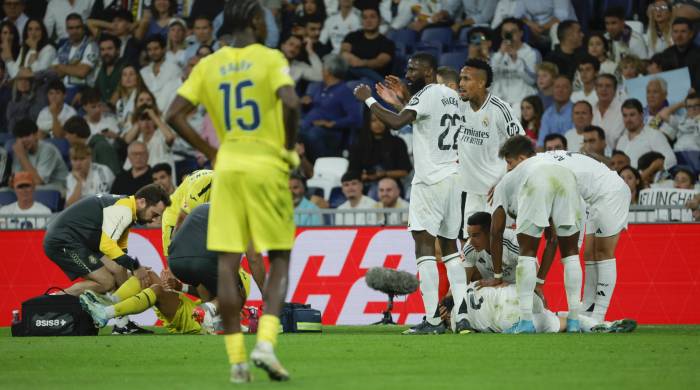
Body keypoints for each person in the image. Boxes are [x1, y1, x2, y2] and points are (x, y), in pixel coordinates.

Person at [165, 0, 302, 382]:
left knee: (227, 264)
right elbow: (290, 103)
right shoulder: (269, 58)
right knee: (278, 260)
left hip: (227, 170)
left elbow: (173, 114)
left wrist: (211, 151)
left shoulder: (208, 65)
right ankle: (266, 344)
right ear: (256, 21)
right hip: (266, 168)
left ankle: (237, 360)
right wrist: (287, 148)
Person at [355, 53, 470, 335]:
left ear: (430, 73)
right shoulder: (452, 97)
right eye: (408, 68)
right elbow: (424, 121)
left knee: (424, 248)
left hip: (430, 181)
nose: (408, 73)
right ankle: (463, 316)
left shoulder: (428, 93)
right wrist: (404, 99)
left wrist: (369, 99)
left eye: (414, 69)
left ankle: (431, 320)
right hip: (453, 178)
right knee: (451, 250)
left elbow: (396, 124)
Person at [80, 204, 252, 335]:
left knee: (158, 290)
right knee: (146, 275)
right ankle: (108, 301)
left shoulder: (240, 276)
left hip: (199, 320)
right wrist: (181, 287)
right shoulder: (215, 267)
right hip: (197, 311)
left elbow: (229, 299)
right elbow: (204, 291)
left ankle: (106, 313)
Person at [490, 135, 583, 333]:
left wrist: (497, 275)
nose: (507, 168)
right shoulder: (550, 161)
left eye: (509, 162)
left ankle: (525, 321)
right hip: (568, 178)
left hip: (536, 182)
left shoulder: (506, 181)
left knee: (527, 253)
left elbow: (495, 232)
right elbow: (553, 239)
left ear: (522, 159)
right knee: (571, 254)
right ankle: (574, 320)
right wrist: (540, 281)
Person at [536, 150, 631, 323]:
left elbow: (574, 202)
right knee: (589, 253)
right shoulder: (541, 162)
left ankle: (599, 315)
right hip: (592, 198)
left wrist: (573, 243)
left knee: (603, 252)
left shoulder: (547, 171)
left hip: (610, 192)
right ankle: (587, 309)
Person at [43, 183, 169, 296]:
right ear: (142, 202)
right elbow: (107, 246)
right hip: (61, 241)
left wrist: (134, 268)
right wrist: (136, 267)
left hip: (79, 241)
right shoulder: (123, 210)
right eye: (154, 214)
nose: (154, 220)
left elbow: (120, 257)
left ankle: (121, 317)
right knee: (106, 283)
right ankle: (54, 300)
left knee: (119, 270)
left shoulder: (128, 210)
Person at [444, 282, 638, 334]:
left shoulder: (456, 322)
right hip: (516, 293)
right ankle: (600, 324)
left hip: (506, 317)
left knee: (558, 323)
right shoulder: (466, 285)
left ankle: (596, 327)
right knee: (551, 315)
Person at [300, 54, 362, 160]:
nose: (321, 70)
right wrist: (305, 103)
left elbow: (355, 118)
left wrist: (331, 124)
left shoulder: (345, 91)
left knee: (311, 135)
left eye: (323, 67)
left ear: (328, 71)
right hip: (307, 124)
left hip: (329, 133)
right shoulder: (318, 86)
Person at [348, 112, 412, 190]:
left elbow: (405, 171)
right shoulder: (359, 145)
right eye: (374, 121)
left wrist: (384, 174)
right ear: (368, 123)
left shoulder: (397, 142)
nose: (378, 124)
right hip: (364, 185)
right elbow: (352, 172)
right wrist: (364, 176)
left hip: (391, 185)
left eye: (382, 120)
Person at [489, 17, 539, 114]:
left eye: (513, 32)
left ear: (521, 33)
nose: (509, 35)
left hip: (522, 102)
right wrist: (500, 55)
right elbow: (489, 78)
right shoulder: (496, 55)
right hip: (500, 102)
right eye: (505, 32)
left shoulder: (531, 53)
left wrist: (516, 60)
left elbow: (532, 80)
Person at [159, 169, 213, 258]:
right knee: (172, 261)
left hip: (193, 209)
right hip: (174, 215)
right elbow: (181, 218)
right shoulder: (201, 188)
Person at [50, 13, 98, 102]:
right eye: (71, 28)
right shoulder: (64, 47)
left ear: (83, 28)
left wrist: (61, 66)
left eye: (78, 27)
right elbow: (54, 71)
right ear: (67, 29)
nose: (74, 31)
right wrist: (74, 65)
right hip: (62, 90)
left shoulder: (91, 45)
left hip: (83, 90)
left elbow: (82, 72)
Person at [617, 98, 676, 170]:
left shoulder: (654, 135)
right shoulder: (621, 140)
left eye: (632, 115)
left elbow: (671, 160)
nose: (628, 119)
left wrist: (649, 171)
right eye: (625, 115)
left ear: (641, 115)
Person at [10, 118, 68, 190]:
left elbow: (38, 182)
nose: (24, 140)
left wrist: (22, 156)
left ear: (36, 135)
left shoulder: (48, 150)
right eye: (21, 137)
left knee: (37, 188)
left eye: (27, 135)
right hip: (34, 188)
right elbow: (16, 180)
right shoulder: (19, 151)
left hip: (59, 187)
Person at [461, 211, 518, 284]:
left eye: (476, 235)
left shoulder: (513, 242)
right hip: (490, 285)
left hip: (516, 286)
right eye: (469, 235)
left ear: (490, 232)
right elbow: (463, 282)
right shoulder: (469, 248)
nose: (471, 242)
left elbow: (532, 272)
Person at [341, 7, 395, 82]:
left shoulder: (387, 43)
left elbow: (380, 62)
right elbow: (344, 53)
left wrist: (361, 63)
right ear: (361, 21)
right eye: (365, 17)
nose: (368, 21)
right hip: (352, 75)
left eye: (372, 17)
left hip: (375, 80)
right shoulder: (352, 36)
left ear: (379, 20)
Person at [140, 35, 182, 112]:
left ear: (164, 49)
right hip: (145, 112)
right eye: (150, 50)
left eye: (156, 49)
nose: (153, 52)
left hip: (167, 111)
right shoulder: (143, 72)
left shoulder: (174, 69)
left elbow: (175, 95)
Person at [660, 17, 700, 91]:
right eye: (675, 32)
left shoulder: (698, 54)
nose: (679, 36)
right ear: (671, 34)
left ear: (691, 34)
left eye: (683, 31)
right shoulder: (666, 54)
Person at [537, 75, 573, 147]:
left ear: (571, 91)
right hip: (551, 154)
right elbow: (541, 143)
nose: (560, 90)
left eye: (565, 87)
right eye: (557, 87)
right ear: (552, 90)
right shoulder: (547, 114)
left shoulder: (577, 111)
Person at [592, 74, 624, 147]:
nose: (604, 89)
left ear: (615, 90)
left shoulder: (623, 110)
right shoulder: (590, 109)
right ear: (596, 89)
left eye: (608, 86)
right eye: (600, 86)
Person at [94, 33, 127, 104]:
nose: (106, 53)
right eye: (102, 49)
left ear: (118, 50)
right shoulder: (101, 68)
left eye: (109, 49)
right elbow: (95, 91)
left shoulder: (125, 66)